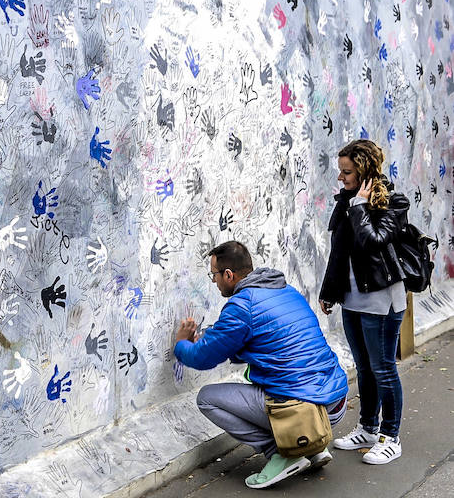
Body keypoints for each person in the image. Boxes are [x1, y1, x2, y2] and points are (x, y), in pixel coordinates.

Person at [174, 241, 348, 489]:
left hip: (305, 409)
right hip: (335, 402)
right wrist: (215, 338)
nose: (213, 281)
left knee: (207, 398)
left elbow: (203, 358)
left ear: (228, 275)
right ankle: (310, 447)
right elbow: (265, 342)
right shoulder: (285, 290)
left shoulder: (241, 306)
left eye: (213, 275)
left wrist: (181, 345)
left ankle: (284, 452)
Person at [319, 139, 410, 465]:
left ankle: (390, 436)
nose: (341, 178)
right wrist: (330, 291)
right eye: (341, 172)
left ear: (365, 171)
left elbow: (373, 241)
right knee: (364, 368)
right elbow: (339, 250)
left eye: (347, 172)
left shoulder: (393, 203)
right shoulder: (347, 200)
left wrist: (358, 206)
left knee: (383, 369)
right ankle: (369, 427)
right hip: (353, 300)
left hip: (382, 302)